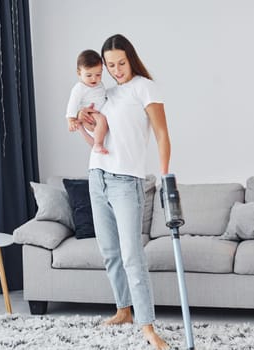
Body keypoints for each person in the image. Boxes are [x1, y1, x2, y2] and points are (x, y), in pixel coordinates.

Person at [78, 34, 171, 350]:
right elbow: (101, 135)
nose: (116, 70)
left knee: (133, 256)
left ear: (131, 58)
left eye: (121, 63)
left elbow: (161, 134)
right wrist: (83, 122)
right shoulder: (107, 94)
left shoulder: (145, 87)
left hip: (126, 182)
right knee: (109, 252)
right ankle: (123, 310)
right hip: (97, 176)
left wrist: (165, 173)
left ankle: (148, 326)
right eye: (110, 65)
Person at [65, 49, 109, 154]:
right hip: (91, 113)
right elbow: (72, 103)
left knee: (101, 125)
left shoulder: (100, 85)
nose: (94, 79)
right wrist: (71, 120)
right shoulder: (79, 88)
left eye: (98, 75)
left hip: (97, 114)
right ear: (79, 73)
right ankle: (98, 144)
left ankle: (96, 145)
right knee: (101, 119)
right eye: (89, 75)